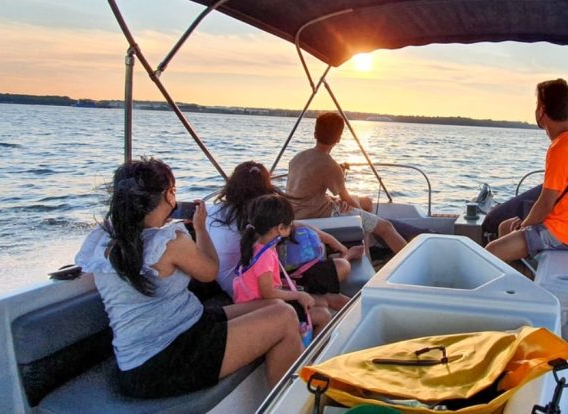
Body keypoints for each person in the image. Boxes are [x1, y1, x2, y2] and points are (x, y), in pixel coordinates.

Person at [73, 157, 303, 397]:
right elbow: (210, 271)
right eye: (173, 190)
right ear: (168, 195)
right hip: (167, 357)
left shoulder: (102, 239)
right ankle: (288, 404)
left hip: (150, 351)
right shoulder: (170, 241)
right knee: (285, 316)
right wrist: (200, 228)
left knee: (276, 304)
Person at [209, 161, 359, 310]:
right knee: (340, 270)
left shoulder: (213, 211)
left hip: (234, 285)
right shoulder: (263, 214)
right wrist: (336, 244)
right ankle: (346, 257)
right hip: (254, 292)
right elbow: (296, 227)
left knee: (328, 287)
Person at [485, 79, 568, 265]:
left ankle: (514, 279)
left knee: (492, 251)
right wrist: (524, 226)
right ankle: (518, 277)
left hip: (564, 232)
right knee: (505, 227)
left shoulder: (560, 148)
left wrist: (524, 226)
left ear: (541, 111)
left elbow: (546, 203)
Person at [285, 112, 408, 253]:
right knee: (386, 227)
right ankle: (411, 260)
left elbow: (306, 191)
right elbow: (346, 199)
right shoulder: (329, 165)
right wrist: (361, 215)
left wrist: (333, 200)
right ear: (338, 138)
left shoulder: (297, 158)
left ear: (315, 134)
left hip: (297, 213)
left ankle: (366, 251)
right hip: (318, 215)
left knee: (363, 202)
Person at [232, 194, 333, 332]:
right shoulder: (265, 255)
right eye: (290, 224)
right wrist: (298, 295)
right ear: (280, 228)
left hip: (258, 301)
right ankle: (307, 344)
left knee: (322, 302)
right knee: (324, 315)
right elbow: (268, 293)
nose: (292, 227)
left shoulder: (256, 245)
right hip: (260, 306)